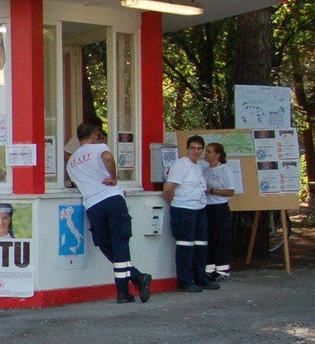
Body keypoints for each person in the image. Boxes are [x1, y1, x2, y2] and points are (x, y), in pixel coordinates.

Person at [65, 120, 152, 303]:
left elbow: (77, 183)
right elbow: (107, 157)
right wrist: (113, 177)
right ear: (94, 134)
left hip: (92, 205)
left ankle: (130, 285)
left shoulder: (71, 161)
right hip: (111, 199)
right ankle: (130, 284)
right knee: (120, 243)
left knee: (106, 245)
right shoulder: (99, 148)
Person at [163, 135, 220, 293]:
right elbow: (168, 189)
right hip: (184, 209)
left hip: (199, 208)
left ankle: (200, 278)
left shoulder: (197, 166)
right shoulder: (181, 165)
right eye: (193, 148)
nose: (196, 151)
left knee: (201, 245)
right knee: (185, 246)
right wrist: (175, 204)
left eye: (199, 148)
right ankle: (185, 281)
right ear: (187, 149)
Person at [202, 142, 236, 280]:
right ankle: (209, 269)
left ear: (217, 155)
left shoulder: (225, 170)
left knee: (221, 238)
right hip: (207, 207)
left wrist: (213, 191)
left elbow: (230, 191)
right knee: (209, 238)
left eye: (209, 152)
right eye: (206, 151)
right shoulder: (204, 171)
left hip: (220, 208)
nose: (206, 154)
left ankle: (222, 270)